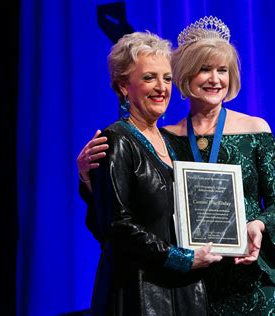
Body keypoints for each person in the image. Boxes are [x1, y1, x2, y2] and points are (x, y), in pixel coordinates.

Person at [79, 17, 275, 315]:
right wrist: (87, 176)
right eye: (204, 69)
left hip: (251, 272)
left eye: (222, 70)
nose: (215, 79)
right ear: (186, 75)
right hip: (196, 280)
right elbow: (122, 214)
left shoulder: (255, 129)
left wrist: (258, 224)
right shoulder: (166, 138)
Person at [82, 31, 222, 316]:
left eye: (167, 78)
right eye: (149, 78)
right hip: (138, 294)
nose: (161, 87)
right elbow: (116, 226)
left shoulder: (172, 144)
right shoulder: (116, 140)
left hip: (182, 290)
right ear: (124, 86)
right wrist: (180, 258)